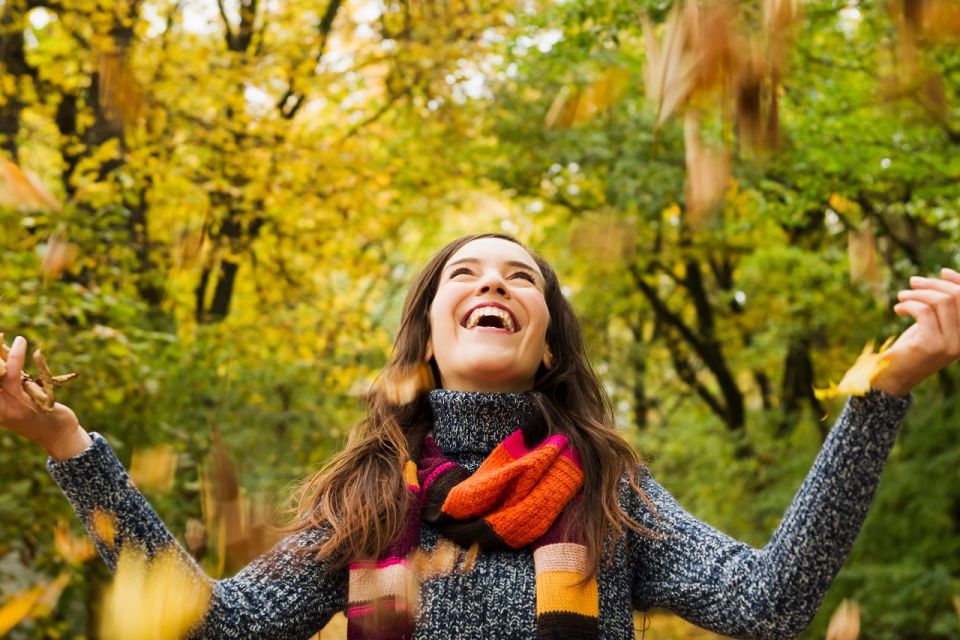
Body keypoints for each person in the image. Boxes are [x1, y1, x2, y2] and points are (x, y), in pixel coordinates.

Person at [1, 233, 958, 640]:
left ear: (548, 346)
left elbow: (767, 604)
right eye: (467, 273)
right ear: (427, 336)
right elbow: (221, 627)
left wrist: (879, 395)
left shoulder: (606, 490)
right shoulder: (366, 498)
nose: (493, 284)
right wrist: (71, 449)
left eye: (520, 277)